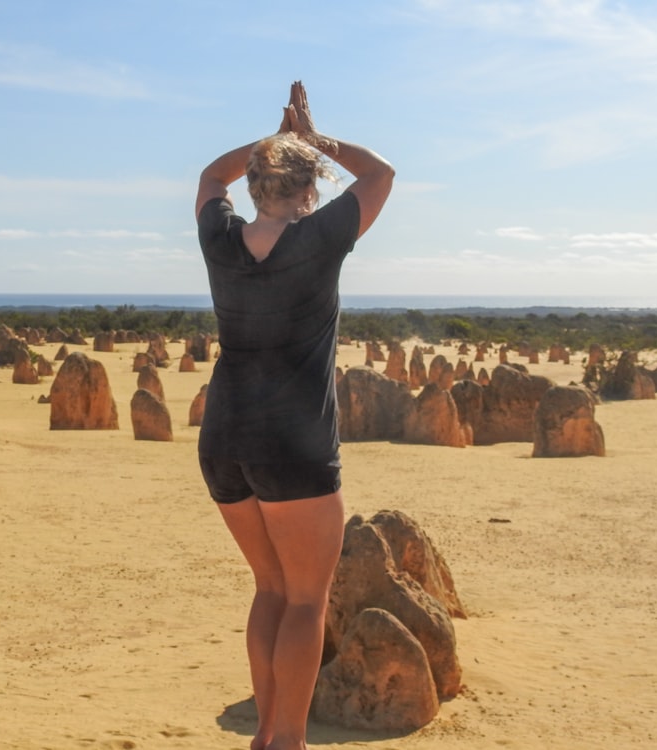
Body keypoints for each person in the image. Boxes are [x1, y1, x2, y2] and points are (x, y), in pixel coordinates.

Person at [195, 81, 394, 750]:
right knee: (306, 599)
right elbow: (380, 173)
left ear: (255, 186)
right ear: (310, 189)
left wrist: (270, 144)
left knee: (271, 588)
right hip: (294, 443)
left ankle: (267, 737)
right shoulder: (318, 237)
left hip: (223, 437)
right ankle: (286, 741)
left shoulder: (220, 237)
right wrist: (312, 138)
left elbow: (207, 176)